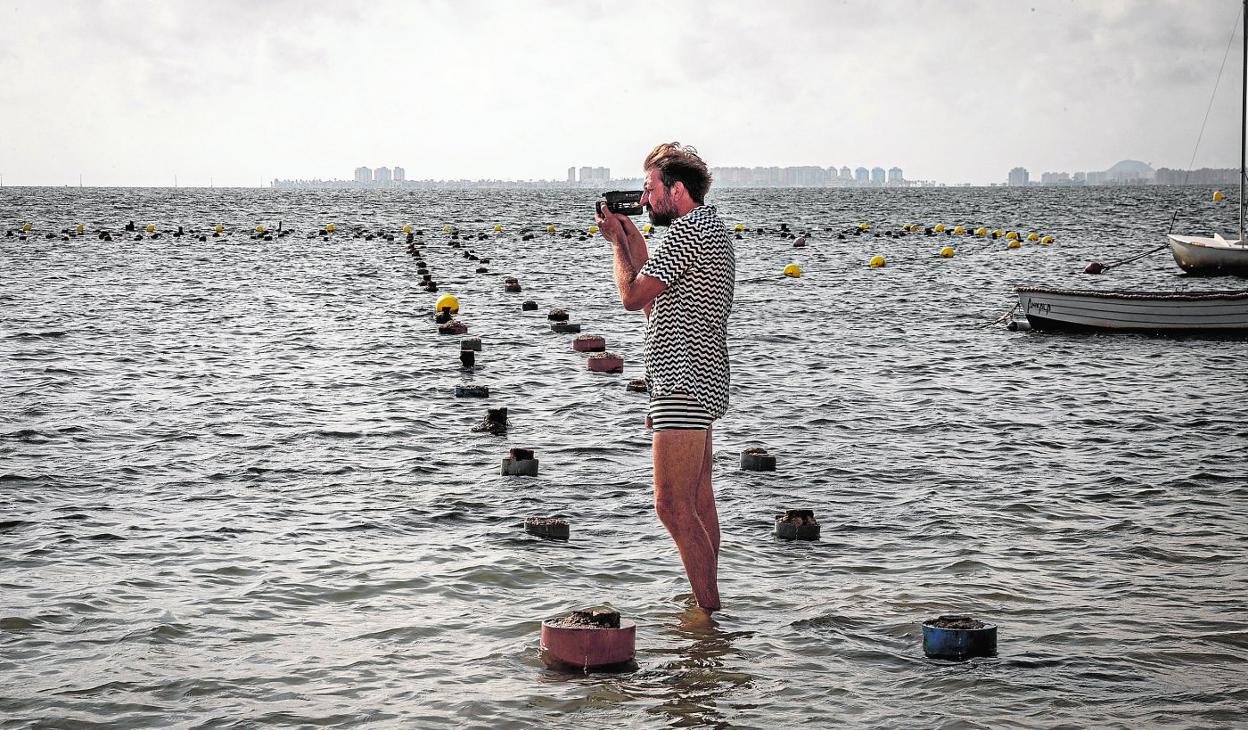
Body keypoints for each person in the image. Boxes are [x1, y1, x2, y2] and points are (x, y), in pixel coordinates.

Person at [594, 142, 736, 613]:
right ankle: (710, 606)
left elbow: (634, 296)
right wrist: (629, 232)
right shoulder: (708, 228)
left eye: (650, 189)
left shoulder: (686, 235)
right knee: (698, 498)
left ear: (676, 190)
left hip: (680, 378)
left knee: (671, 505)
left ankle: (709, 615)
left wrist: (616, 243)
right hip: (704, 376)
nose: (643, 197)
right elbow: (658, 287)